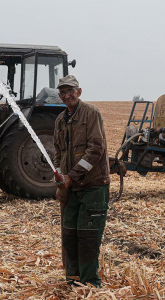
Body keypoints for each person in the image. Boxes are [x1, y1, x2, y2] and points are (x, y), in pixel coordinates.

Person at [53, 75, 110, 287]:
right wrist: (59, 177)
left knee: (87, 237)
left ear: (79, 92)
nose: (66, 95)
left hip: (93, 186)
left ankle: (90, 284)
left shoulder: (91, 114)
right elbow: (58, 153)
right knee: (69, 234)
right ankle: (73, 281)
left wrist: (71, 176)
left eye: (70, 91)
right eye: (62, 92)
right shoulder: (60, 120)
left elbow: (96, 150)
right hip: (71, 187)